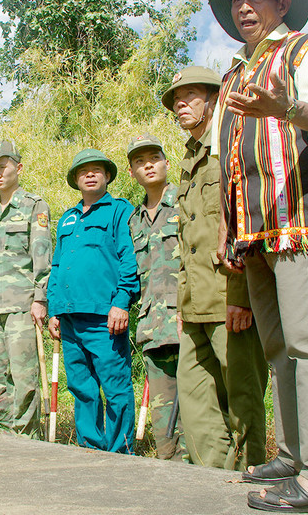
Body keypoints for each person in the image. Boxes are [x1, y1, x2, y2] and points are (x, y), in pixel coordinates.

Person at [205, 0, 308, 513]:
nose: (244, 7)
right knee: (280, 348)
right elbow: (226, 160)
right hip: (252, 234)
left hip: (299, 223)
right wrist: (227, 227)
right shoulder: (231, 75)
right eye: (236, 1)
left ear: (282, 5)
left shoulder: (306, 50)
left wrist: (286, 108)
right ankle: (296, 456)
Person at [161, 67, 268, 470]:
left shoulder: (232, 148)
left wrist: (242, 297)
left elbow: (245, 228)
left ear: (213, 99)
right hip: (194, 306)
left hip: (229, 300)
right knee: (195, 403)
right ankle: (212, 486)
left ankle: (251, 477)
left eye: (189, 95)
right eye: (176, 100)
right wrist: (180, 307)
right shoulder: (190, 159)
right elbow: (189, 242)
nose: (180, 105)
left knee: (242, 398)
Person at [47, 149, 139, 454]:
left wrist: (122, 301)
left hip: (104, 317)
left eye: (97, 170)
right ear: (75, 179)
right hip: (70, 317)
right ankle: (89, 447)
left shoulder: (118, 211)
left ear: (107, 176)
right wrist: (54, 309)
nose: (90, 174)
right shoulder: (67, 218)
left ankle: (120, 451)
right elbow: (58, 266)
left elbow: (129, 260)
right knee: (81, 386)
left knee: (115, 386)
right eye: (83, 171)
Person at [0, 140, 52, 438]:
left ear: (18, 168)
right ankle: (4, 438)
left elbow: (42, 257)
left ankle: (27, 441)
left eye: (1, 167)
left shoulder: (34, 206)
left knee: (24, 379)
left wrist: (40, 299)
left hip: (21, 306)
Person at [125, 134, 183, 460]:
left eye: (153, 157)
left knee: (199, 415)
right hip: (153, 330)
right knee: (164, 421)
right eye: (138, 161)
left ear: (166, 163)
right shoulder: (134, 221)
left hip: (189, 325)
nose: (147, 164)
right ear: (132, 172)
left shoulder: (187, 203)